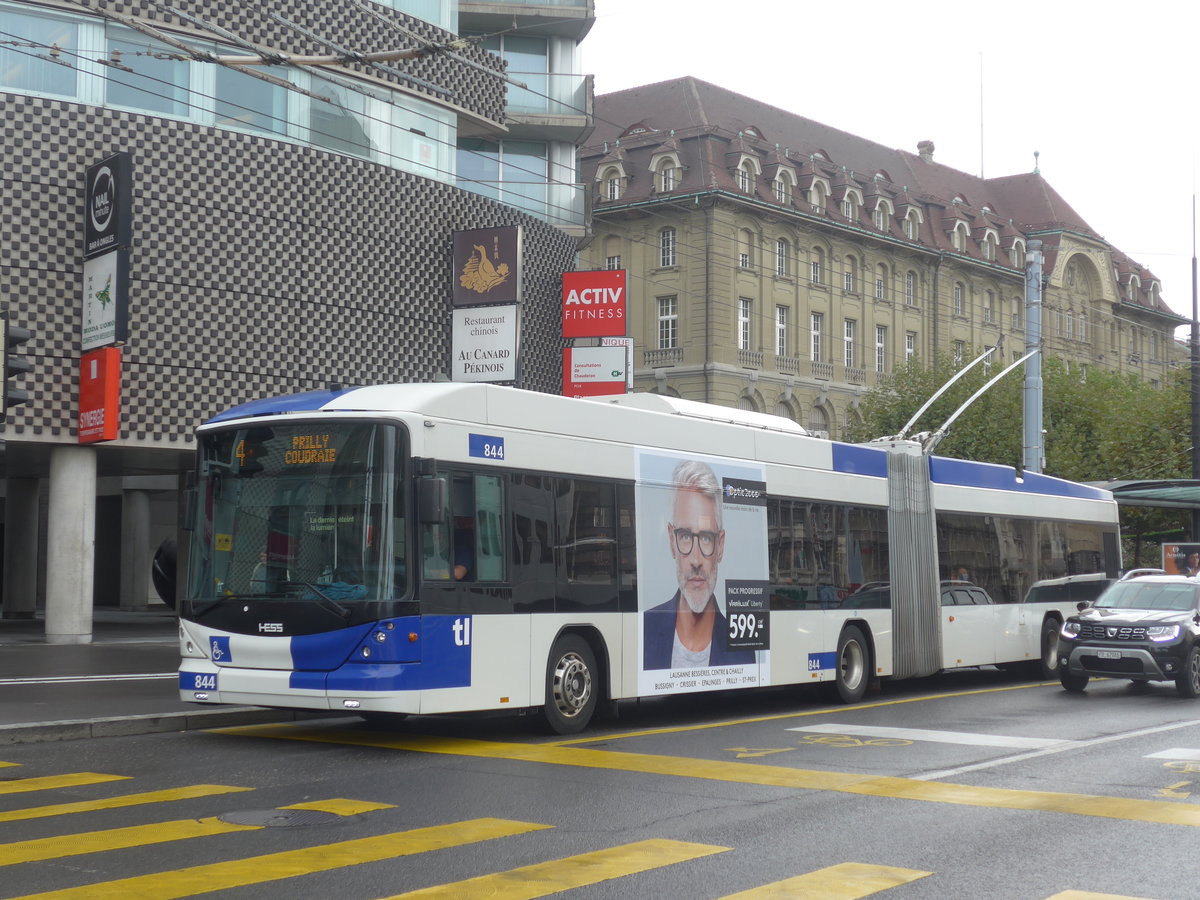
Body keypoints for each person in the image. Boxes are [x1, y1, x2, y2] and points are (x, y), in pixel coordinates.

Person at [643, 459, 756, 670]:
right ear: (671, 541)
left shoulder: (742, 650)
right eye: (685, 536)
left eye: (705, 538)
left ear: (720, 545)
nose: (695, 560)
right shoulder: (645, 630)